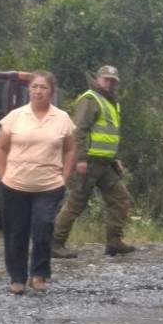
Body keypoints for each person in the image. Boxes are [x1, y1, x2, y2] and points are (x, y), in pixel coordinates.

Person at [0, 70, 76, 295]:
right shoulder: (16, 116)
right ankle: (17, 278)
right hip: (15, 185)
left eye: (43, 87)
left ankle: (38, 275)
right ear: (29, 90)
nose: (38, 91)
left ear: (52, 92)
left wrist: (64, 177)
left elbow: (69, 149)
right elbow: (0, 147)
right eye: (35, 87)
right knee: (16, 232)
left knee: (42, 228)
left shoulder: (62, 118)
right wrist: (2, 175)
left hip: (49, 186)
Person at [52, 65, 135, 258]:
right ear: (97, 79)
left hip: (104, 164)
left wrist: (114, 159)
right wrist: (80, 159)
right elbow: (79, 130)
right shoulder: (91, 99)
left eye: (113, 80)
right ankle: (55, 242)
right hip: (88, 163)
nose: (109, 83)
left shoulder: (111, 102)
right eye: (106, 79)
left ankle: (114, 241)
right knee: (76, 203)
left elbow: (106, 135)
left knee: (120, 199)